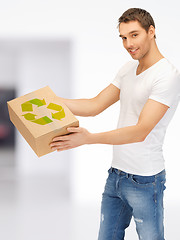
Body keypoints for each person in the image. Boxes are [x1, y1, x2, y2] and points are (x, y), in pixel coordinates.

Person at [50, 8, 180, 240]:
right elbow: (95, 105)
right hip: (116, 175)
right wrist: (52, 101)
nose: (128, 43)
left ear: (151, 32)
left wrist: (89, 139)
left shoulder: (166, 75)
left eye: (134, 35)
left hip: (145, 179)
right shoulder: (128, 69)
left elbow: (141, 131)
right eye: (123, 37)